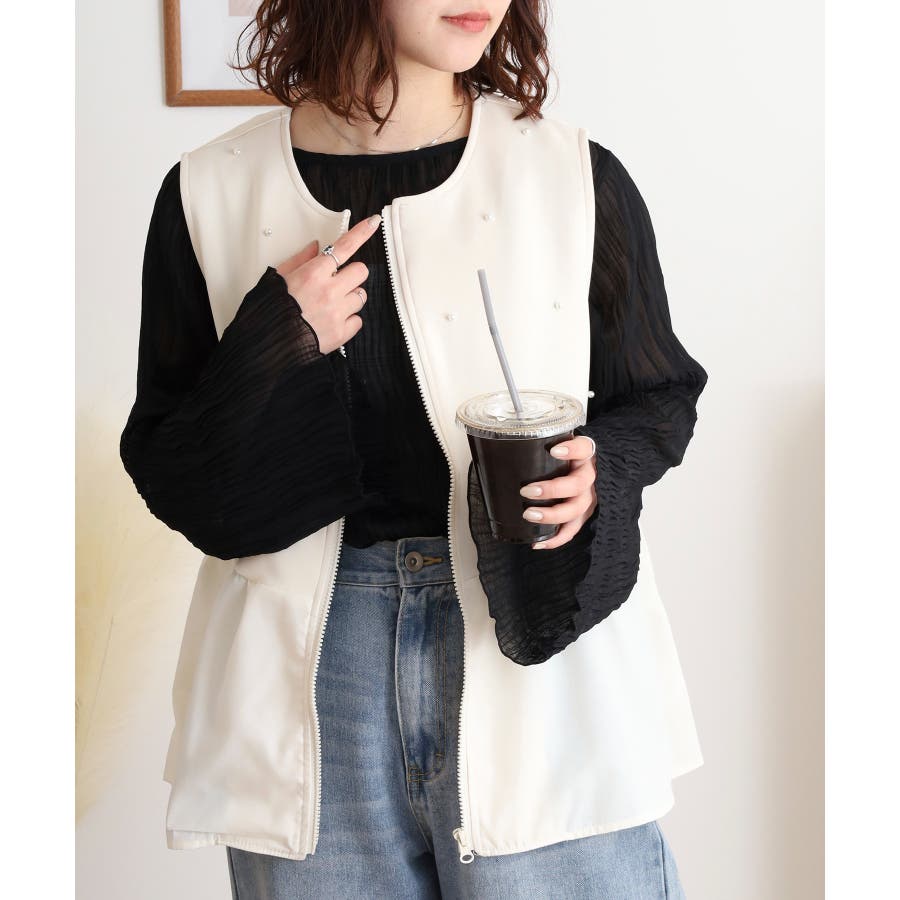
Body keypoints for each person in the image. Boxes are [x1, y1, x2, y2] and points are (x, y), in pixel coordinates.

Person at [120, 1, 708, 896]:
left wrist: (603, 468)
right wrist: (275, 340)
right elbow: (170, 465)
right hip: (310, 667)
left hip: (531, 634)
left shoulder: (570, 174)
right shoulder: (210, 190)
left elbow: (659, 394)